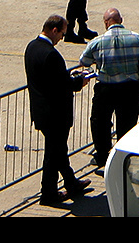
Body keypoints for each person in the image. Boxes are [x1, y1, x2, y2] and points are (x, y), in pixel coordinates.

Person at [24, 14, 92, 206]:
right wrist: (79, 81)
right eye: (61, 33)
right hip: (55, 114)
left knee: (58, 151)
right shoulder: (51, 55)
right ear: (54, 30)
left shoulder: (31, 47)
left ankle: (71, 183)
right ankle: (49, 193)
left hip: (41, 111)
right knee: (53, 154)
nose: (62, 38)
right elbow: (62, 85)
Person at [78, 7, 139, 168]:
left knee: (100, 122)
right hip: (130, 89)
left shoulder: (97, 42)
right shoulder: (137, 39)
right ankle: (123, 157)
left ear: (106, 23)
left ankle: (102, 156)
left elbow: (83, 61)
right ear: (121, 20)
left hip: (106, 89)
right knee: (127, 124)